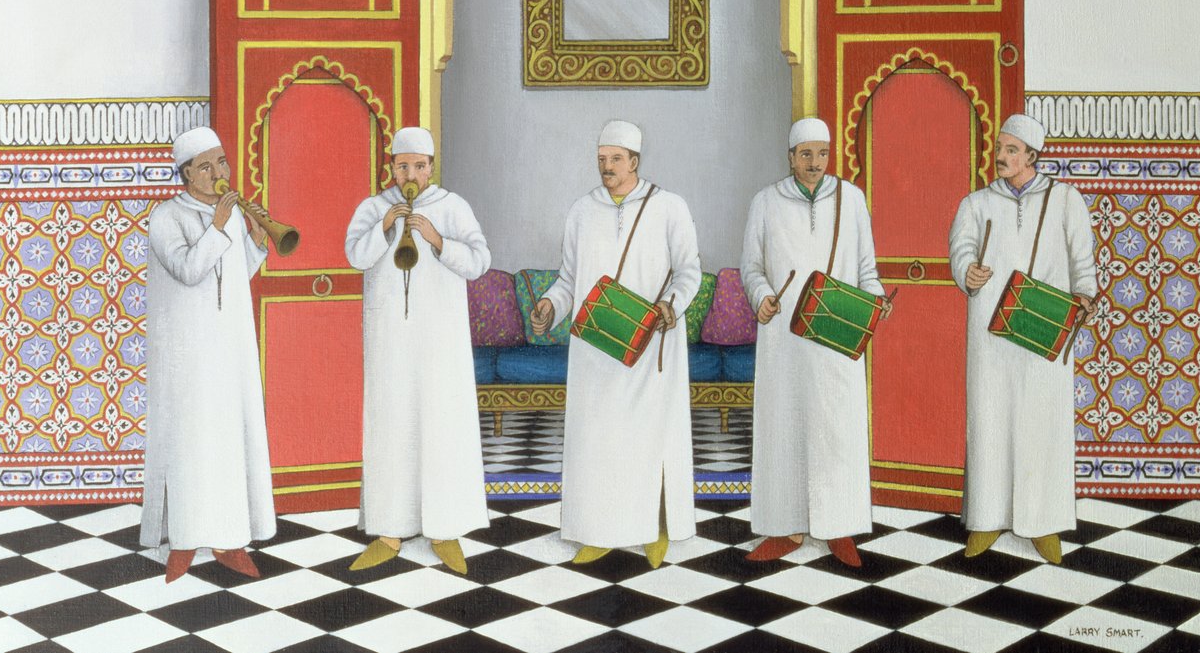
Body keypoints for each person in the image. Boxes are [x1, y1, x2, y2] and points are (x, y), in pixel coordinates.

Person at [529, 120, 700, 568]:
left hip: (650, 344)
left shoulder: (669, 207)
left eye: (616, 159)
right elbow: (569, 279)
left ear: (635, 161)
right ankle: (600, 531)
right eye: (602, 159)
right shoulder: (582, 211)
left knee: (648, 440)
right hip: (596, 348)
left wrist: (668, 306)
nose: (607, 167)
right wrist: (550, 305)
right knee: (599, 442)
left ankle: (656, 530)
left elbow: (689, 271)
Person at [740, 117, 888, 568]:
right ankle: (785, 529)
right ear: (790, 157)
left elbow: (867, 269)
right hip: (783, 338)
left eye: (822, 153)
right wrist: (762, 297)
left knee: (837, 433)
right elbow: (751, 267)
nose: (815, 162)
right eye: (805, 154)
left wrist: (876, 299)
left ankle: (838, 528)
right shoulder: (766, 201)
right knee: (783, 431)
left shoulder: (852, 198)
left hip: (836, 333)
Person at [949, 113, 1096, 564]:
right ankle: (986, 519)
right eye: (1000, 148)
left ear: (1032, 155)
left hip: (1043, 326)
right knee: (989, 422)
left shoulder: (1065, 199)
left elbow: (1082, 258)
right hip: (990, 333)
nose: (1001, 156)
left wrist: (1084, 296)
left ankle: (1042, 524)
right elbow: (960, 249)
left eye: (1011, 150)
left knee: (1041, 426)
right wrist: (967, 272)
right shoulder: (975, 203)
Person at [344, 126, 492, 575]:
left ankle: (444, 530)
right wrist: (385, 227)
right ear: (392, 167)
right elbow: (354, 256)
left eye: (419, 166)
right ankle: (390, 531)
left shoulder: (453, 207)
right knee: (391, 429)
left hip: (440, 344)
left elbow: (479, 261)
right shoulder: (373, 208)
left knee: (442, 429)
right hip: (389, 342)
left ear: (431, 168)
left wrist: (437, 239)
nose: (411, 174)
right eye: (403, 166)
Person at [141, 127, 275, 583]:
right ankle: (183, 543)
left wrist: (257, 241)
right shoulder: (166, 217)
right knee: (191, 445)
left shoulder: (231, 215)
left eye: (222, 162)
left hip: (228, 350)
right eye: (206, 166)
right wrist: (219, 225)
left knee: (227, 442)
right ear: (185, 174)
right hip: (188, 355)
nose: (219, 172)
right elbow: (188, 269)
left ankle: (229, 541)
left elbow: (233, 274)